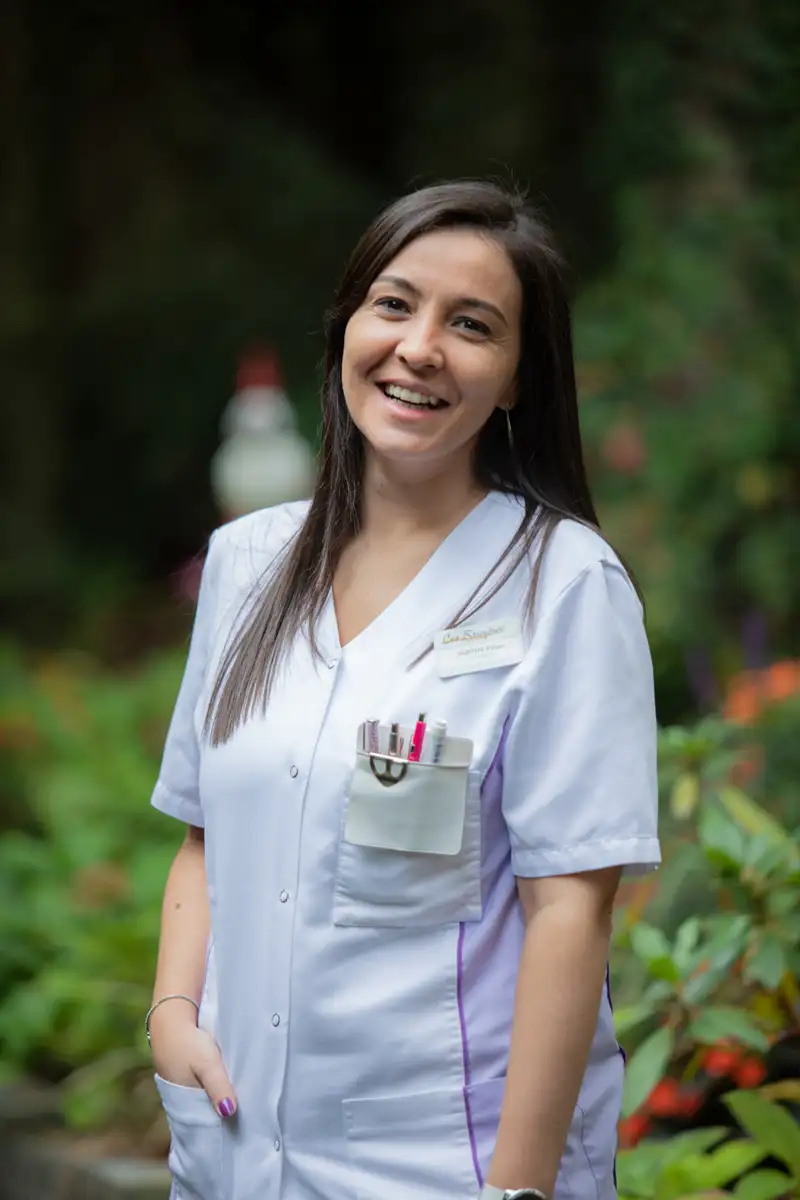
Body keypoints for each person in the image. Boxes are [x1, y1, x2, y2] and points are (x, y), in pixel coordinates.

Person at [147, 179, 660, 1200]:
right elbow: (205, 835)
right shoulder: (247, 564)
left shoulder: (560, 586)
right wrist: (170, 1017)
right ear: (347, 326)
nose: (419, 347)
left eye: (471, 326)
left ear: (517, 377)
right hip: (235, 1149)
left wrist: (515, 1189)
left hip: (444, 1161)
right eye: (394, 304)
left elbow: (569, 912)